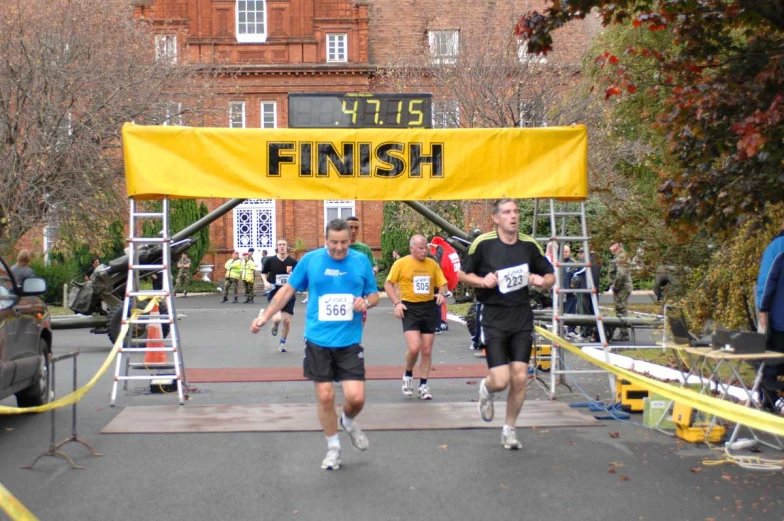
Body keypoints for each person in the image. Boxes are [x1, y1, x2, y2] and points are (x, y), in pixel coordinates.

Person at [250, 218, 379, 470]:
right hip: (318, 340)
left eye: (344, 242)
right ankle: (333, 448)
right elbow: (287, 291)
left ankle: (349, 421)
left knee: (356, 398)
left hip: (349, 340)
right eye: (334, 242)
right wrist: (264, 317)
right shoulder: (312, 260)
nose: (339, 248)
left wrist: (367, 302)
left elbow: (373, 293)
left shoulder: (360, 261)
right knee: (325, 395)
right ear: (325, 239)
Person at [458, 198, 555, 450]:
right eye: (507, 212)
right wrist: (482, 281)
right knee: (500, 380)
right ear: (496, 218)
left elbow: (550, 275)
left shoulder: (529, 245)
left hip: (521, 315)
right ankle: (486, 390)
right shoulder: (484, 244)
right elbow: (462, 275)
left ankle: (509, 429)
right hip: (494, 316)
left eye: (516, 212)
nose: (513, 216)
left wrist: (540, 281)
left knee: (520, 377)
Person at [385, 234, 448, 400]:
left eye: (425, 247)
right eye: (420, 248)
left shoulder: (432, 264)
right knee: (414, 347)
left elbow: (442, 284)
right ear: (411, 248)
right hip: (409, 307)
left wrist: (441, 294)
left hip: (428, 307)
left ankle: (423, 385)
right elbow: (388, 284)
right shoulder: (401, 263)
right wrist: (397, 303)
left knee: (426, 349)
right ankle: (408, 375)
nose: (424, 250)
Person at [756, 217, 784, 413]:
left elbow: (767, 281)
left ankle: (768, 403)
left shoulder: (777, 247)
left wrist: (763, 309)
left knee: (771, 363)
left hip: (779, 317)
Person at [261, 239, 298, 352]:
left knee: (286, 320)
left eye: (284, 245)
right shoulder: (270, 261)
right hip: (275, 293)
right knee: (277, 319)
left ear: (287, 247)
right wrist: (266, 282)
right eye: (280, 245)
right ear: (277, 247)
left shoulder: (293, 262)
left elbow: (298, 275)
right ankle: (275, 324)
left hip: (288, 294)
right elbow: (263, 273)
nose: (282, 247)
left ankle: (282, 342)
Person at [608, 242, 633, 342]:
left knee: (621, 309)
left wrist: (615, 286)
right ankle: (623, 332)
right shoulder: (621, 256)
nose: (612, 251)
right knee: (620, 309)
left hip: (621, 287)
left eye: (613, 249)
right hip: (621, 287)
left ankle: (624, 333)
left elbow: (621, 274)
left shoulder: (622, 257)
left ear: (617, 247)